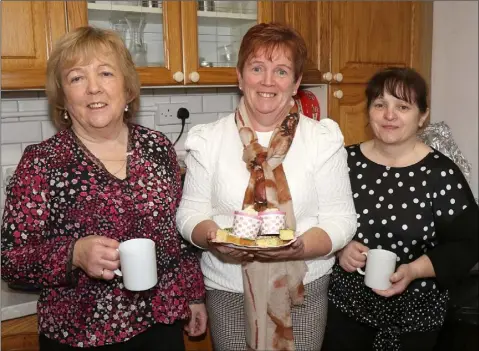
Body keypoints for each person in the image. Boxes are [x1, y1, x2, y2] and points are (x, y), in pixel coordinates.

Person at [0, 26, 207, 350]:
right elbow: (10, 260)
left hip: (161, 327)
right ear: (64, 96)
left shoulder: (158, 148)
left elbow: (177, 235)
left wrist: (194, 295)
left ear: (127, 89)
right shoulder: (42, 161)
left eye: (106, 73)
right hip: (80, 335)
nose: (93, 88)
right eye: (77, 78)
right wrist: (73, 254)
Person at [177, 23, 357, 351]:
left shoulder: (322, 139)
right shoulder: (208, 139)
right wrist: (215, 239)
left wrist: (299, 247)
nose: (268, 81)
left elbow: (342, 220)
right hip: (229, 290)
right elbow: (190, 214)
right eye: (257, 68)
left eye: (282, 71)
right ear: (240, 75)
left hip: (302, 290)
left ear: (297, 82)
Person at [322, 67, 479, 351]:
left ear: (422, 115)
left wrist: (414, 270)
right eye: (380, 104)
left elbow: (468, 244)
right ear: (368, 111)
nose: (389, 115)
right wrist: (338, 248)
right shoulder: (343, 162)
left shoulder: (440, 173)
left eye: (402, 106)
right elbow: (315, 219)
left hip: (416, 321)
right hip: (345, 314)